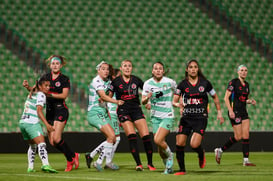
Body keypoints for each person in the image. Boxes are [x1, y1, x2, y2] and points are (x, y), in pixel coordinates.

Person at [23, 55, 79, 172]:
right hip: (49, 112)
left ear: (61, 65)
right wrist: (28, 87)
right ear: (50, 65)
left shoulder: (64, 79)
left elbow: (64, 95)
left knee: (57, 138)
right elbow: (35, 90)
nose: (55, 65)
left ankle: (70, 160)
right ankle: (74, 154)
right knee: (52, 142)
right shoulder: (44, 77)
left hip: (60, 109)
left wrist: (49, 94)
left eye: (57, 63)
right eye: (53, 63)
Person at [172, 59, 224, 175]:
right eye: (190, 67)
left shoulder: (205, 83)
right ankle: (182, 170)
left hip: (200, 118)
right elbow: (174, 101)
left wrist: (219, 112)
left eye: (195, 67)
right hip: (186, 118)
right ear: (187, 70)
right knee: (179, 143)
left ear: (198, 69)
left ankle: (201, 153)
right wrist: (178, 105)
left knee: (194, 144)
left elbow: (215, 97)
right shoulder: (182, 84)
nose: (193, 69)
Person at [109, 59, 155, 171]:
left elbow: (146, 92)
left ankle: (150, 164)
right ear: (121, 68)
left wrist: (148, 102)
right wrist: (111, 102)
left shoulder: (136, 80)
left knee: (146, 137)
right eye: (125, 66)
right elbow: (108, 96)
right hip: (123, 111)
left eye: (129, 66)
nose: (127, 68)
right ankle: (138, 164)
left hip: (136, 110)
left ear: (132, 68)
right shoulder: (115, 82)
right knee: (132, 136)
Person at [214, 64, 256, 166]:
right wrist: (230, 111)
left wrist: (249, 101)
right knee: (238, 137)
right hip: (235, 111)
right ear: (238, 72)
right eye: (241, 70)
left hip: (243, 111)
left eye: (245, 70)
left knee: (246, 135)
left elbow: (243, 99)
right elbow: (226, 98)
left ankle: (246, 160)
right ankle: (220, 150)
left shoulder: (246, 85)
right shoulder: (234, 82)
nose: (244, 72)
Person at [85, 61, 124, 171]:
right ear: (98, 70)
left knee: (113, 138)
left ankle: (94, 158)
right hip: (94, 112)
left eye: (107, 69)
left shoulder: (107, 82)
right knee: (113, 136)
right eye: (103, 69)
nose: (106, 71)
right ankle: (100, 161)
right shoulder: (96, 81)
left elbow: (104, 98)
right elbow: (103, 96)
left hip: (103, 112)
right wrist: (116, 102)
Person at [142, 62, 177, 174]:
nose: (157, 70)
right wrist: (147, 98)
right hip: (155, 117)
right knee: (160, 146)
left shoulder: (170, 82)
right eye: (155, 69)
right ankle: (168, 167)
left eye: (160, 69)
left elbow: (178, 93)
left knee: (157, 140)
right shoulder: (147, 84)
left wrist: (178, 103)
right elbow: (143, 101)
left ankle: (171, 156)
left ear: (163, 71)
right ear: (152, 71)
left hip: (167, 115)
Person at [19, 76, 58, 173]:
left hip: (23, 123)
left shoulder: (33, 92)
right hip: (31, 123)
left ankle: (30, 168)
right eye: (46, 85)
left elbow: (32, 89)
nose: (48, 87)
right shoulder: (41, 95)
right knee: (42, 143)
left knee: (32, 145)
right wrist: (47, 125)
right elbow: (39, 110)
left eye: (49, 85)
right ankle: (45, 165)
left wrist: (27, 87)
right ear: (40, 86)